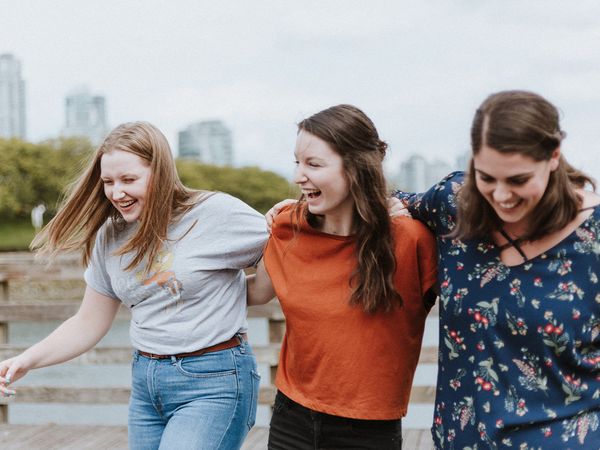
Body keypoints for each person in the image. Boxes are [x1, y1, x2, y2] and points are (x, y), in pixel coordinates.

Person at [0, 122, 267, 450]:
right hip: (147, 383)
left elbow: (286, 247)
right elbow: (88, 322)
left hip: (214, 382)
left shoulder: (215, 215)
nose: (116, 193)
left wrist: (247, 288)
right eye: (108, 182)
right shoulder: (109, 237)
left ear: (161, 173)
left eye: (129, 180)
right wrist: (26, 359)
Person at [390, 90, 600, 448]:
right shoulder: (455, 202)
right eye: (486, 177)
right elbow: (384, 205)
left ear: (553, 157)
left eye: (518, 180)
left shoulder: (593, 238)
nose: (501, 195)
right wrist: (295, 216)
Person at [248, 104, 438, 449]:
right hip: (291, 418)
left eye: (314, 164)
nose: (298, 176)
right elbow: (255, 293)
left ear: (356, 169)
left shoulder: (411, 239)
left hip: (369, 430)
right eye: (297, 162)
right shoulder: (287, 226)